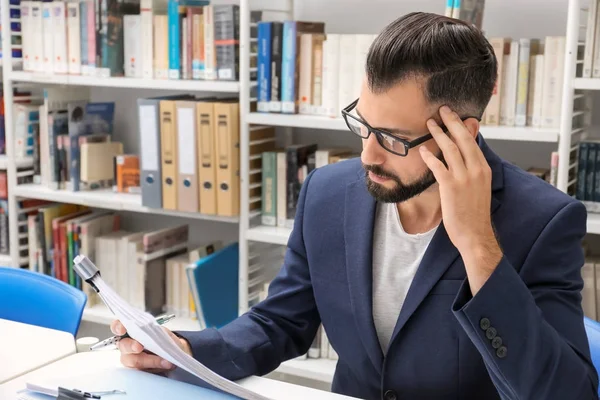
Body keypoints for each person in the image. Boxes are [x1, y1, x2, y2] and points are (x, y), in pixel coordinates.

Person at [111, 12, 599, 400]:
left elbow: (566, 392)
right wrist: (189, 351)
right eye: (362, 123)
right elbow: (281, 322)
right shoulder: (327, 192)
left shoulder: (542, 221)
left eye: (391, 137)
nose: (367, 154)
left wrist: (477, 244)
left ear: (461, 134)